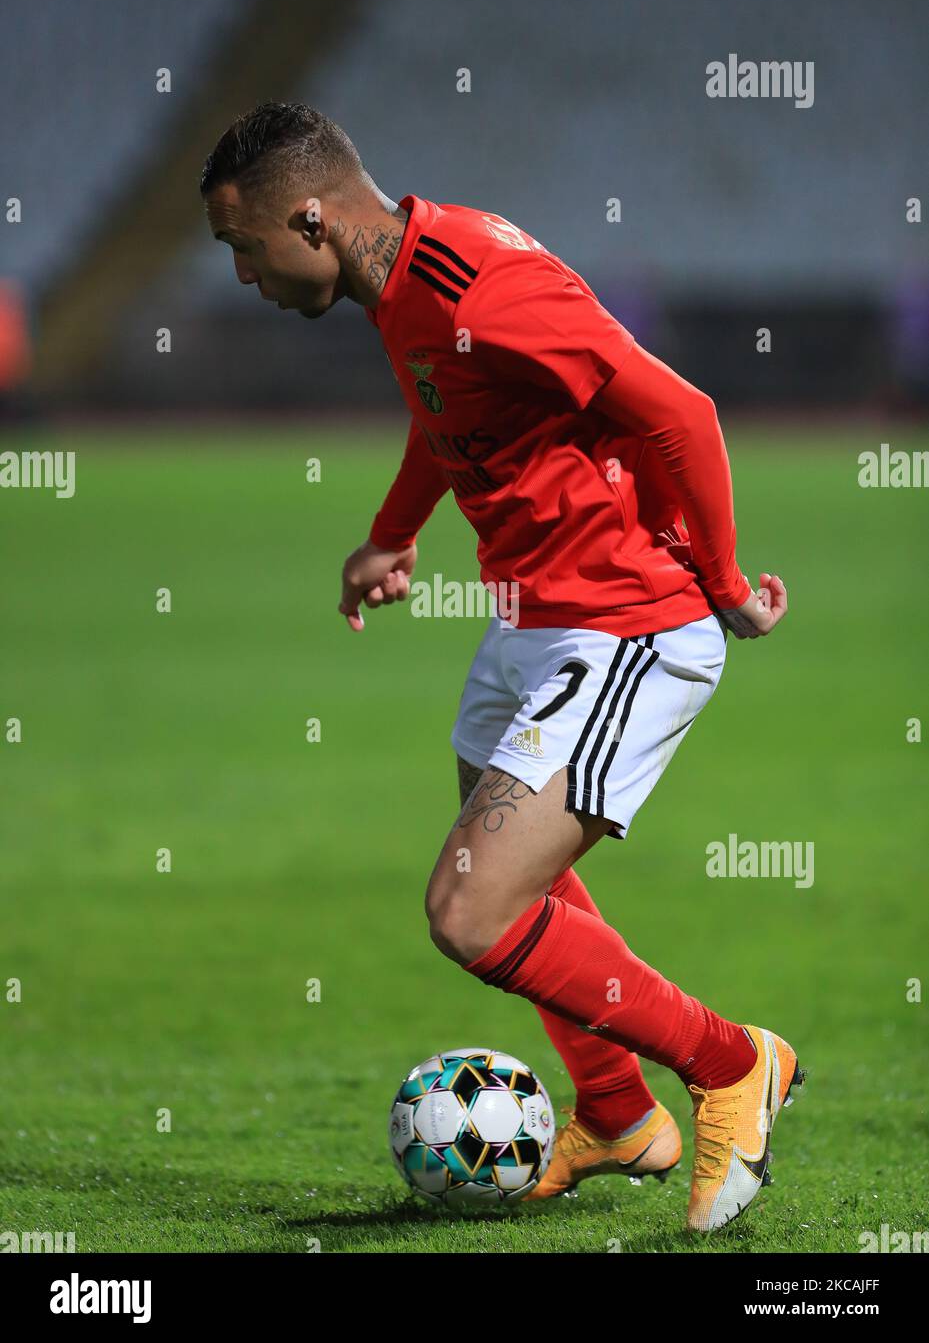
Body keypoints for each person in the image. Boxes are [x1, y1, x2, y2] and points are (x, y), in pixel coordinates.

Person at [201, 102, 800, 1231]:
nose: (241, 274)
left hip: (628, 622)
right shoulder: (404, 286)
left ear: (311, 219)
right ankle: (618, 1113)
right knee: (515, 875)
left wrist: (720, 583)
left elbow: (680, 411)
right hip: (531, 622)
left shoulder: (479, 286)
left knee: (470, 911)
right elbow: (451, 411)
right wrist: (394, 530)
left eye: (242, 246)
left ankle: (730, 1063)